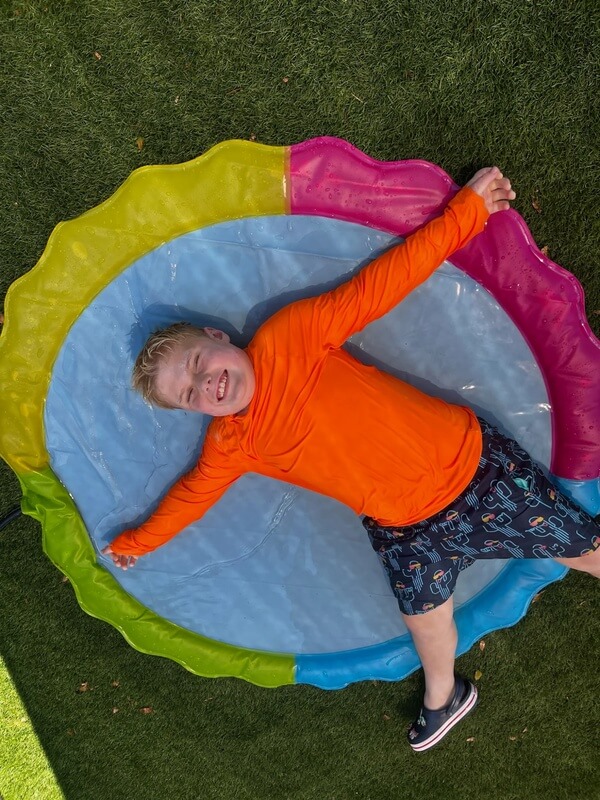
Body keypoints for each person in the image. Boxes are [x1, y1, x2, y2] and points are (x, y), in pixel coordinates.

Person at [103, 168, 600, 751]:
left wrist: (466, 214)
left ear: (218, 336)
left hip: (472, 470)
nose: (204, 385)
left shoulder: (291, 336)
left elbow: (382, 285)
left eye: (195, 364)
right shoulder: (232, 444)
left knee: (577, 546)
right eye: (188, 395)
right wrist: (136, 542)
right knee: (424, 614)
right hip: (405, 529)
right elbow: (192, 497)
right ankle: (445, 694)